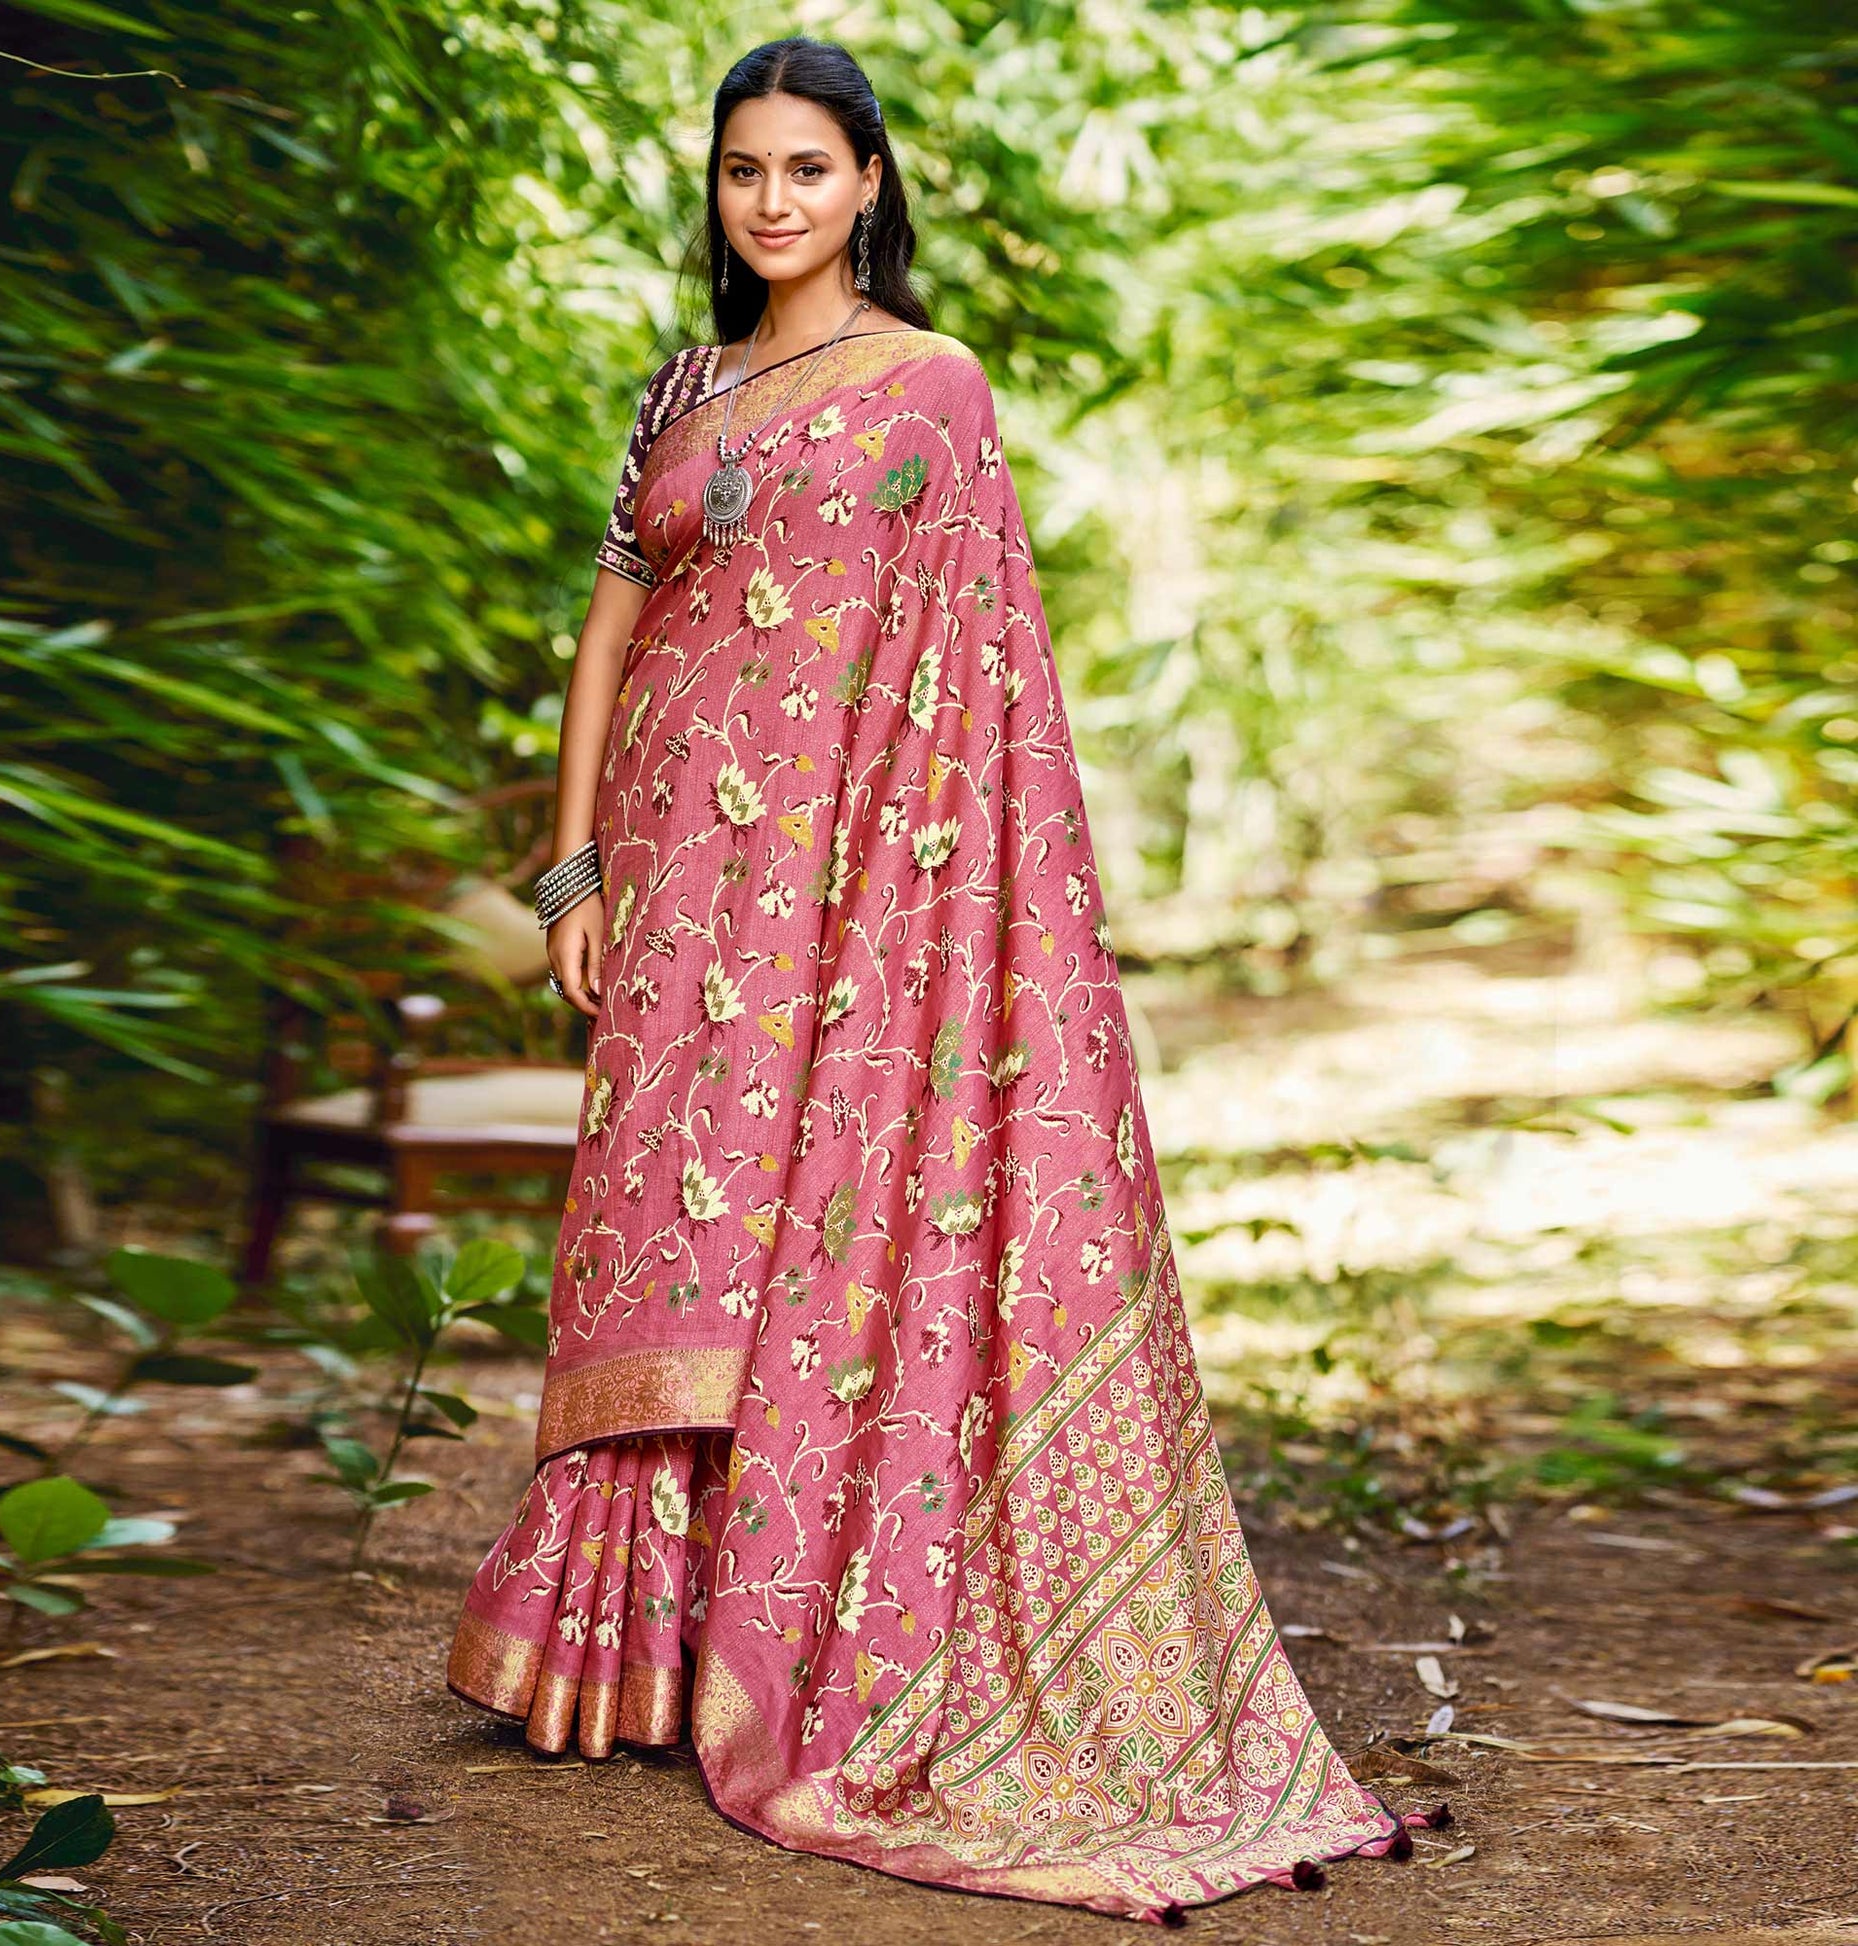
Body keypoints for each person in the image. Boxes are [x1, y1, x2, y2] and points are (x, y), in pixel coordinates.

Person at [446, 34, 1419, 1924]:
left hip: (841, 885)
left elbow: (972, 666)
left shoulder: (929, 388)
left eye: (808, 168)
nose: (774, 200)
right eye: (744, 172)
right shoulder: (686, 384)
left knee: (790, 1231)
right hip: (669, 872)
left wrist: (915, 896)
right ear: (717, 191)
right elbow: (613, 618)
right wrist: (571, 867)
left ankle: (782, 1635)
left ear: (868, 184)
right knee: (654, 1226)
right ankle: (622, 1646)